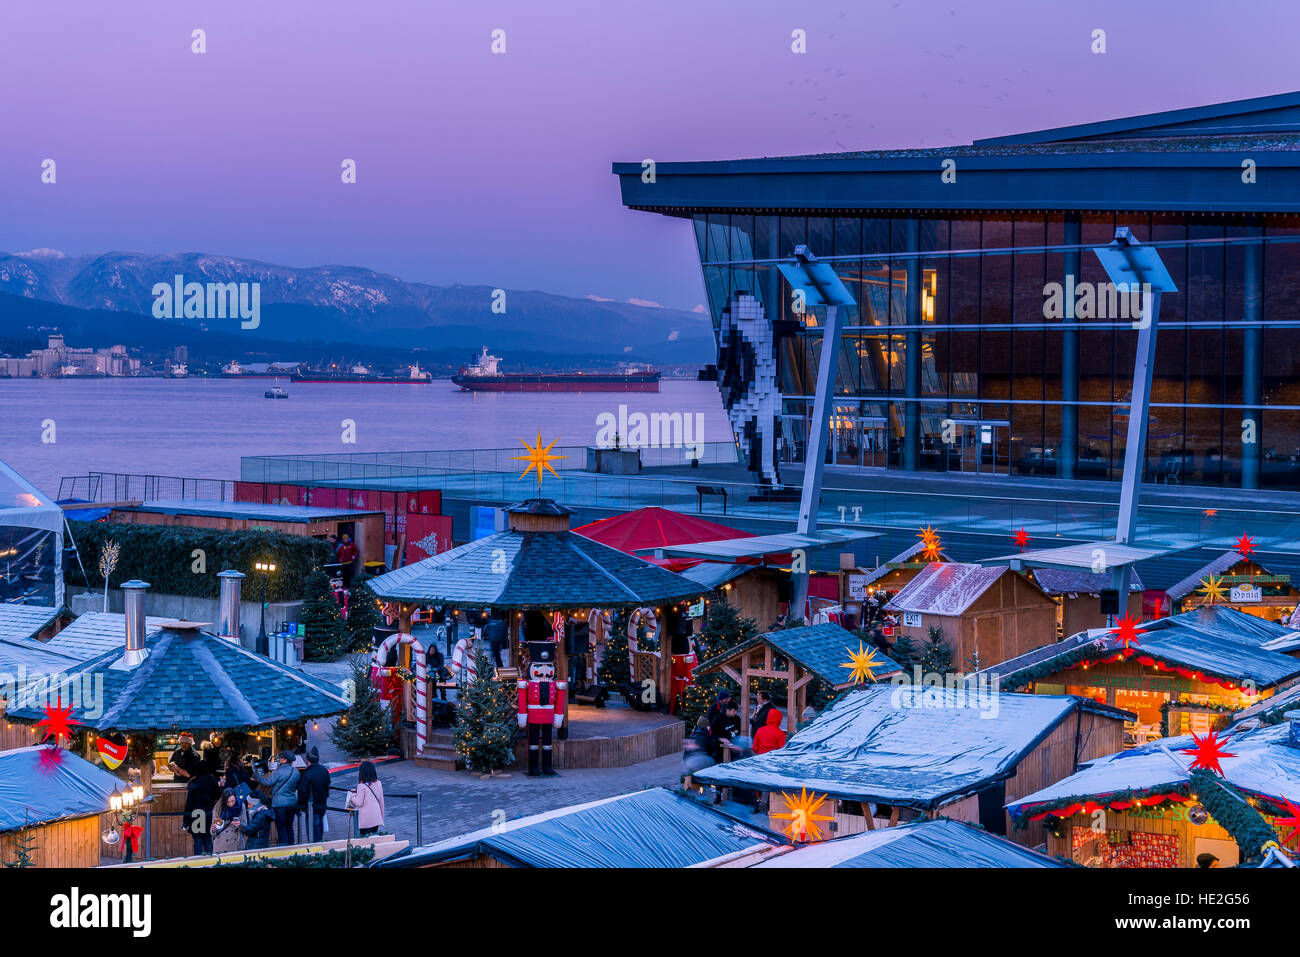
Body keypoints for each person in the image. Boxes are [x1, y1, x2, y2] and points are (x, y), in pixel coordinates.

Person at [260, 750, 301, 846]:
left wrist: (259, 776)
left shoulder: (278, 771)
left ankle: (284, 850)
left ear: (285, 760)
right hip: (292, 803)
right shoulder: (296, 772)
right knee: (289, 827)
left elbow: (268, 782)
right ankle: (292, 848)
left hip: (279, 804)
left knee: (281, 828)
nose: (280, 759)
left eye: (281, 757)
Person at [184, 753, 221, 856]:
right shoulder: (212, 780)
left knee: (198, 841)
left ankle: (198, 863)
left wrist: (185, 819)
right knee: (208, 840)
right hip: (209, 812)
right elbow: (217, 795)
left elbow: (189, 802)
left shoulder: (193, 783)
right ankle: (210, 862)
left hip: (196, 814)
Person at [297, 747, 331, 843]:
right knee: (320, 829)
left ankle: (314, 850)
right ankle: (320, 847)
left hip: (311, 806)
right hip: (322, 805)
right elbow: (327, 786)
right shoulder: (324, 770)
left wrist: (301, 805)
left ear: (308, 760)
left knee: (312, 831)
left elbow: (302, 790)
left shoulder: (307, 773)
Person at [347, 760, 385, 836]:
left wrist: (352, 796)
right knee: (374, 838)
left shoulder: (361, 786)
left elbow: (359, 802)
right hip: (376, 819)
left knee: (365, 840)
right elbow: (381, 801)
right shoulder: (378, 783)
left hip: (365, 822)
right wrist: (381, 816)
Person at [212, 788, 245, 854]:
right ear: (224, 801)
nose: (231, 804)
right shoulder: (218, 807)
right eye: (228, 802)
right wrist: (214, 829)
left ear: (236, 798)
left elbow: (245, 825)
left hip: (236, 844)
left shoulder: (241, 806)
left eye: (233, 801)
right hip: (221, 845)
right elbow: (213, 829)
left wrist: (239, 825)